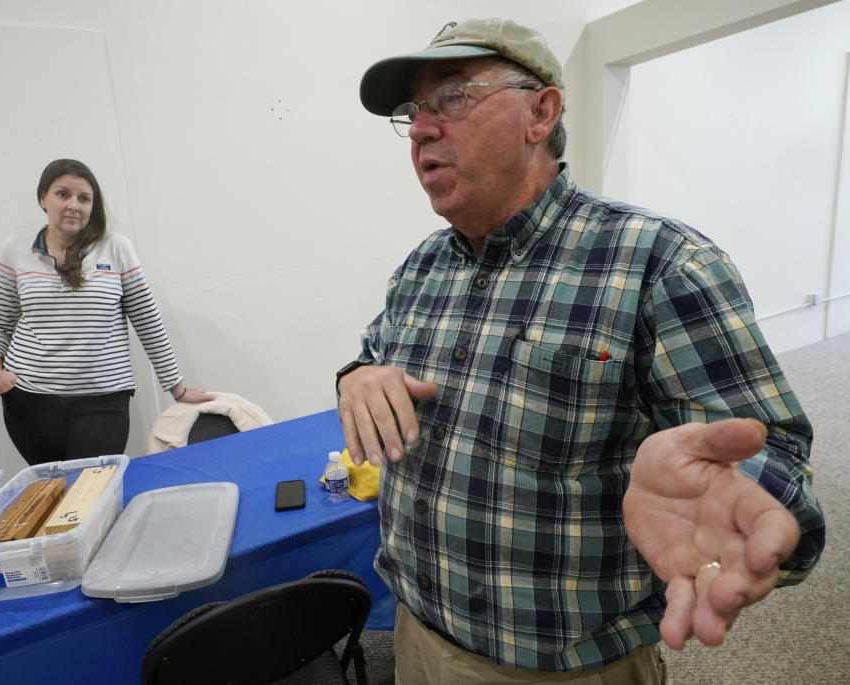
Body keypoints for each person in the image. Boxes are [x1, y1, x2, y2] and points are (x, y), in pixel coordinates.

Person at [336, 18, 825, 684]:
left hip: (562, 669)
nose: (421, 128)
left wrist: (743, 503)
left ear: (541, 112)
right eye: (412, 111)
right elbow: (372, 350)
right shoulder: (421, 268)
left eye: (449, 98)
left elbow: (781, 471)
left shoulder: (662, 265)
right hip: (416, 639)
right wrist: (358, 374)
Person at [0, 158, 212, 465]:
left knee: (91, 495)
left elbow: (148, 322)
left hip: (104, 401)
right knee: (52, 495)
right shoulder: (14, 250)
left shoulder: (116, 248)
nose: (73, 205)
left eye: (84, 198)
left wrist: (178, 388)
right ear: (43, 198)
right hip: (28, 400)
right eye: (62, 194)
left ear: (93, 205)